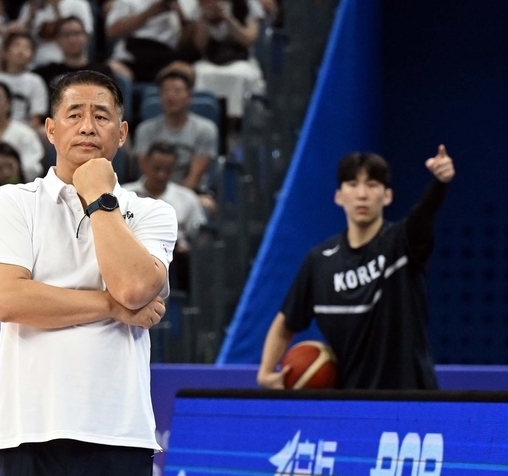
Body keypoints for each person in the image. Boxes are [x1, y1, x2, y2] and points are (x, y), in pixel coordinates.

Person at [0, 70, 177, 474]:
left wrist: (99, 195)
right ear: (50, 130)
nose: (87, 127)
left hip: (120, 430)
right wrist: (113, 306)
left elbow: (134, 288)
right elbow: (8, 300)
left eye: (101, 117)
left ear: (122, 133)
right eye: (74, 115)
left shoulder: (154, 213)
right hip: (29, 429)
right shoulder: (11, 202)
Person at [257, 146, 456, 390]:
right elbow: (286, 322)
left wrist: (439, 184)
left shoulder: (402, 244)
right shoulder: (320, 261)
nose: (362, 194)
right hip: (350, 406)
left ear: (387, 196)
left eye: (372, 185)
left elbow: (423, 215)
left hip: (409, 401)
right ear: (338, 196)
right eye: (352, 184)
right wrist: (266, 372)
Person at [124, 141, 206, 291]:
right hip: (132, 253)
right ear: (144, 164)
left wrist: (191, 248)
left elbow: (201, 235)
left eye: (167, 170)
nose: (161, 175)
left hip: (174, 259)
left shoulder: (187, 198)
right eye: (157, 169)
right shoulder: (124, 194)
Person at [134, 70, 218, 193]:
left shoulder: (206, 129)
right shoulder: (145, 129)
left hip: (191, 192)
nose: (171, 96)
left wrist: (177, 199)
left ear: (189, 96)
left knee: (206, 205)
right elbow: (146, 169)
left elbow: (195, 176)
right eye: (166, 91)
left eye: (177, 91)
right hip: (152, 191)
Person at [192, 0, 265, 120]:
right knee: (200, 74)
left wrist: (227, 18)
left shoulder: (249, 4)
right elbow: (199, 45)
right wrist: (204, 19)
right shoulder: (202, 5)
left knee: (241, 75)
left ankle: (235, 124)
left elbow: (249, 40)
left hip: (240, 60)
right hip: (210, 60)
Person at [105, 0, 200, 82]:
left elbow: (188, 46)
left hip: (164, 59)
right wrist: (149, 12)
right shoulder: (128, 1)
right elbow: (112, 32)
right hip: (130, 56)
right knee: (110, 70)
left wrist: (181, 16)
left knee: (186, 71)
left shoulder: (186, 4)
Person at [33, 15, 130, 92]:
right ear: (57, 40)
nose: (72, 39)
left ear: (87, 37)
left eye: (76, 33)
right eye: (66, 34)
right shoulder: (46, 73)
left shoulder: (102, 71)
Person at [0, 32, 49, 133]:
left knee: (43, 132)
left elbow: (37, 117)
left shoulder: (35, 81)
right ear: (6, 52)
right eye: (16, 46)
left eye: (27, 48)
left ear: (32, 56)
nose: (21, 51)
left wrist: (19, 135)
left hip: (25, 130)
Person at [14, 0, 94, 67]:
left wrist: (57, 9)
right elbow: (21, 38)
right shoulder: (30, 5)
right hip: (36, 62)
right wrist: (31, 16)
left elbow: (86, 34)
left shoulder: (78, 4)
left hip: (67, 62)